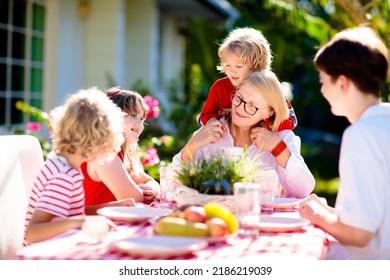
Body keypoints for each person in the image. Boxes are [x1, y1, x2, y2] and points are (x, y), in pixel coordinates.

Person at [298, 26, 390, 259]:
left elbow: (359, 234)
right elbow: (376, 216)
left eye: (323, 80)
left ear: (342, 83)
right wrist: (327, 210)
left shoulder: (361, 134)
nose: (322, 89)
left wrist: (315, 215)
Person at [173, 70, 315, 198]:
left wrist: (278, 149)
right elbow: (172, 186)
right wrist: (190, 148)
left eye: (252, 105)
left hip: (261, 222)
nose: (240, 108)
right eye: (239, 98)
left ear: (270, 112)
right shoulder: (210, 130)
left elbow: (303, 191)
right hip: (215, 218)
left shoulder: (281, 137)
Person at [24, 87, 131, 245]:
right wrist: (81, 223)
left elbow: (70, 214)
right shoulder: (63, 176)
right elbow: (33, 232)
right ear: (95, 139)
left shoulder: (61, 162)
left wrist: (113, 207)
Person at [197, 27, 297, 132]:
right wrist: (211, 121)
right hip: (228, 143)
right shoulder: (220, 87)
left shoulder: (268, 88)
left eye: (239, 66)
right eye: (227, 65)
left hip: (259, 144)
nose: (232, 71)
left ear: (257, 66)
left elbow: (291, 121)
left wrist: (263, 125)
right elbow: (204, 116)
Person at [80, 87, 159, 206]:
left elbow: (150, 181)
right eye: (132, 115)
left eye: (141, 119)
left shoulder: (122, 155)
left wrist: (151, 189)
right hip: (91, 222)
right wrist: (143, 192)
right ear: (110, 117)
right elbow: (134, 199)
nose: (139, 124)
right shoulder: (103, 155)